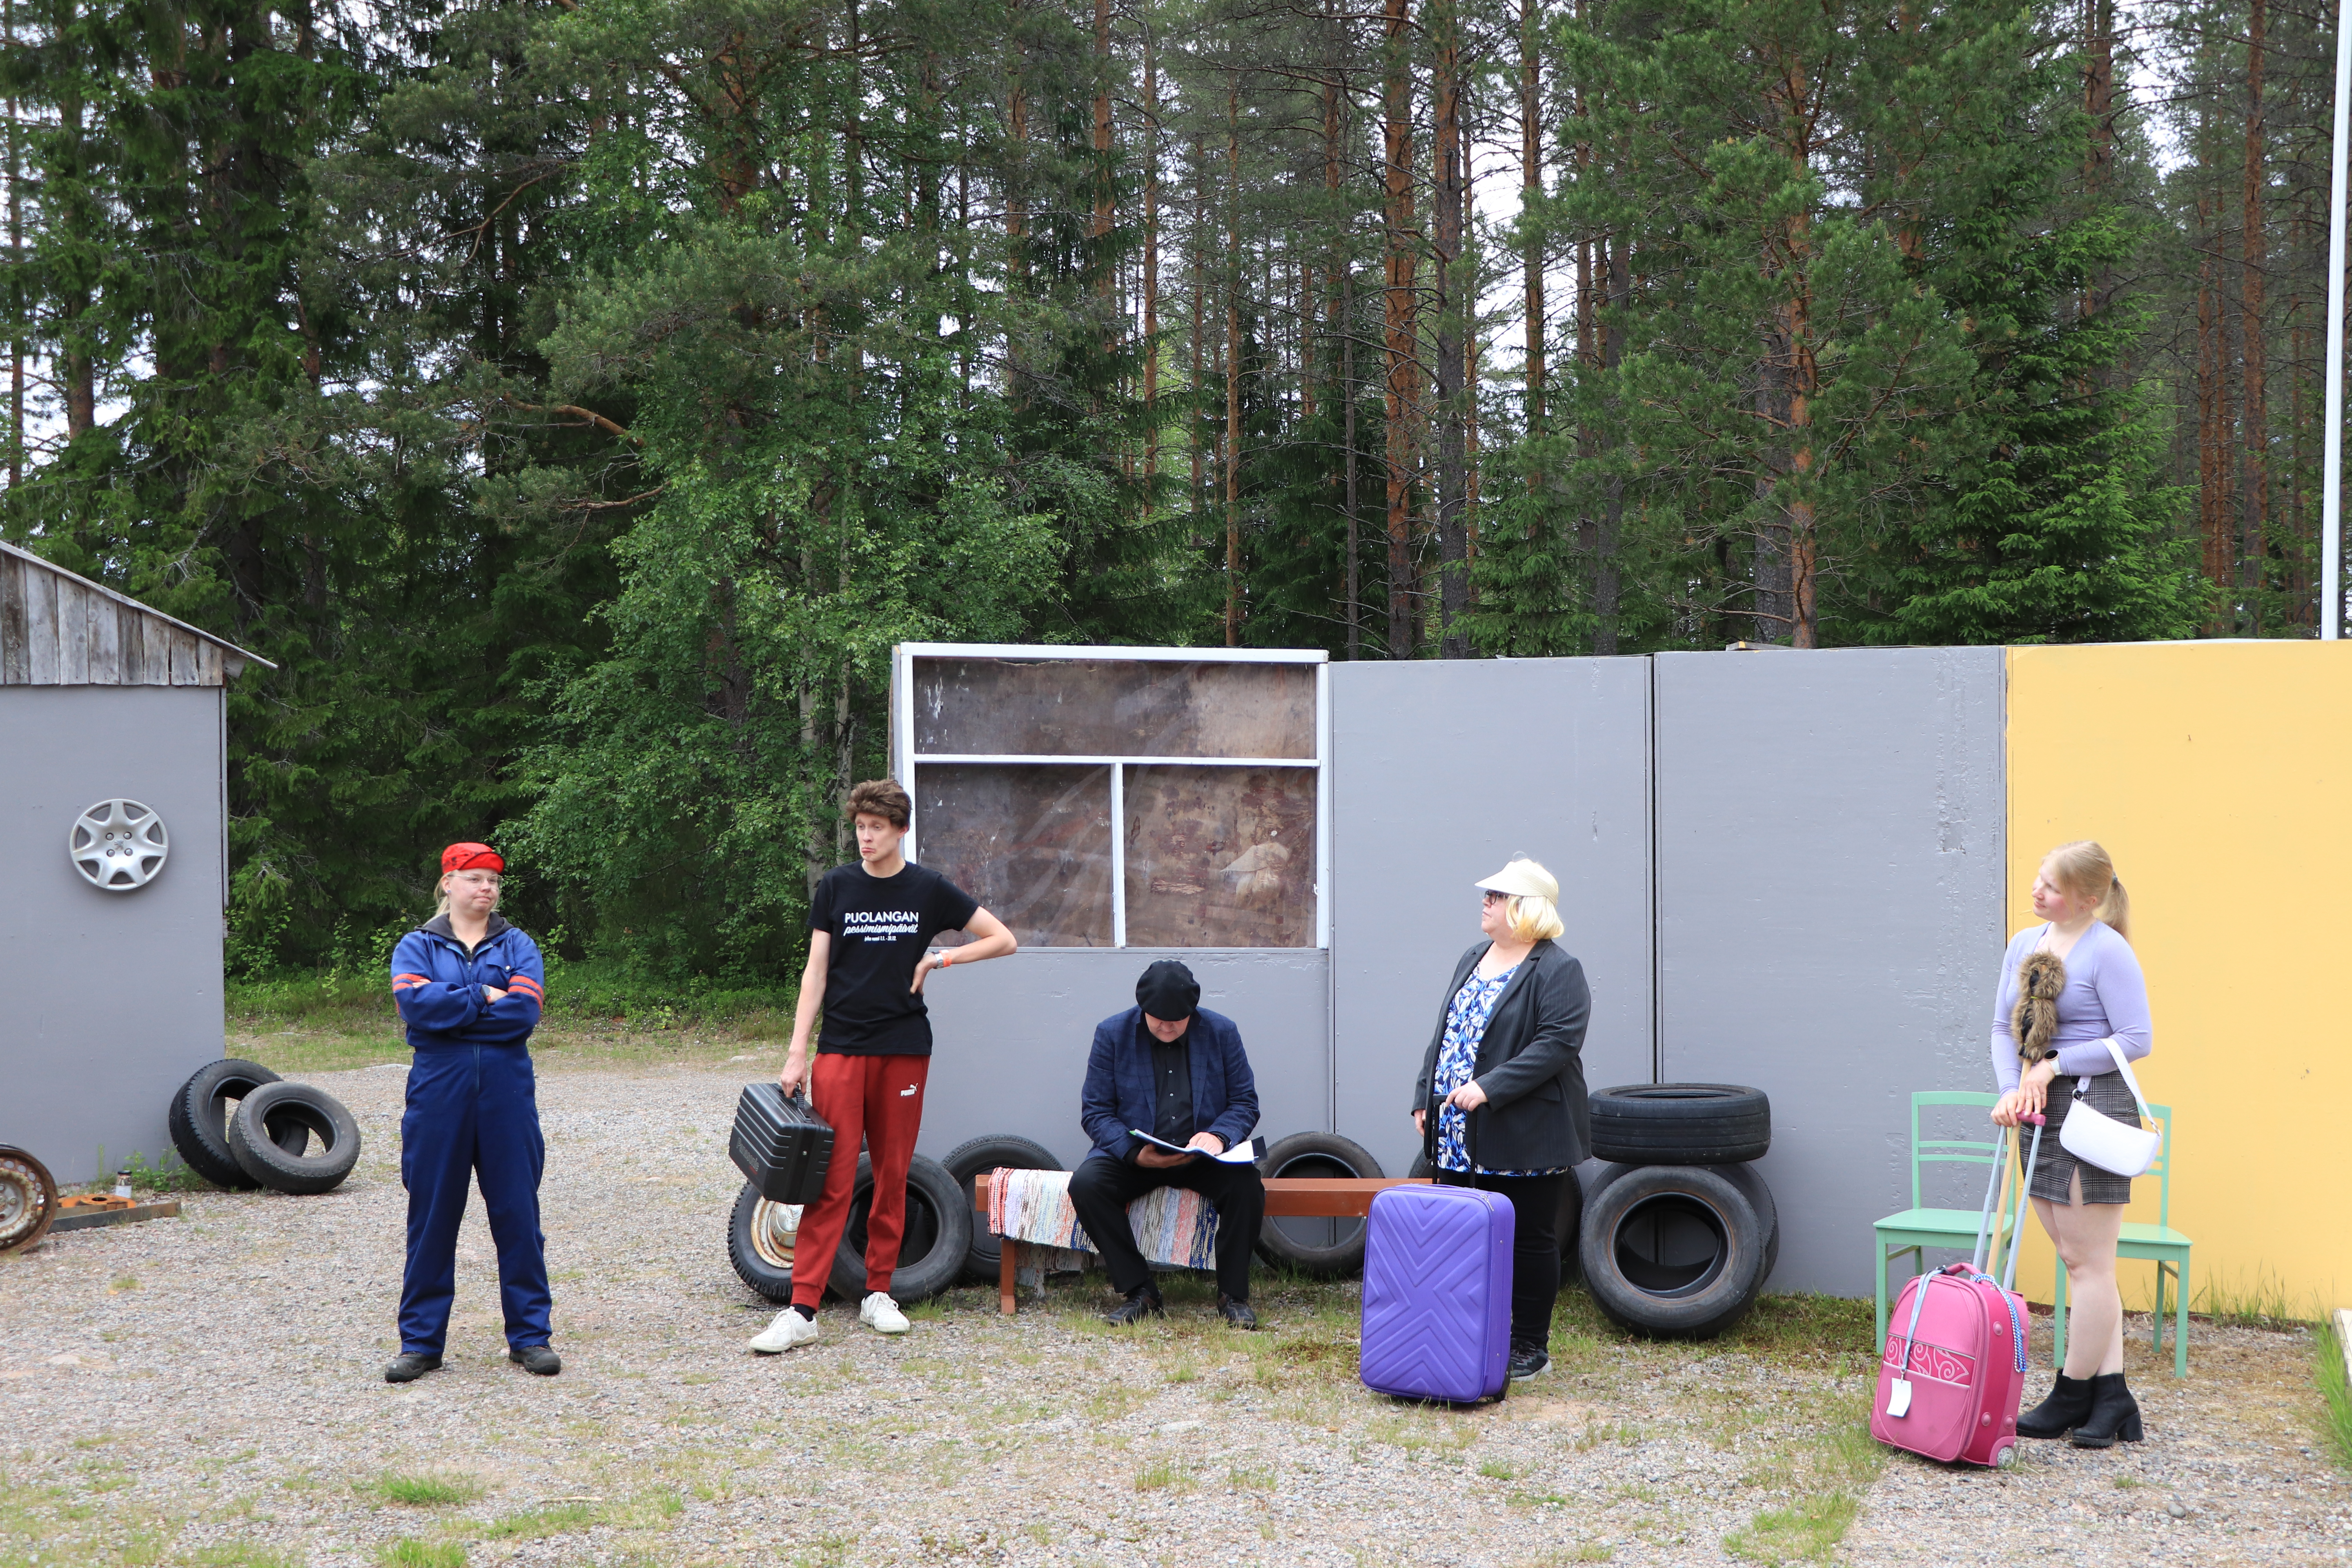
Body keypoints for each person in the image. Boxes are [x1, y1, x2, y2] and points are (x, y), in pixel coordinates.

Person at [749, 779, 1016, 1354]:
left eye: (876, 828)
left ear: (900, 829)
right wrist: (798, 1052)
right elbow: (815, 973)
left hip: (904, 1049)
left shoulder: (928, 888)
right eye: (860, 827)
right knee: (832, 1179)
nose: (865, 838)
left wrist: (942, 957)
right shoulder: (837, 886)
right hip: (842, 1049)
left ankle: (878, 1294)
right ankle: (802, 1309)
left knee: (892, 1175)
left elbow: (1003, 939)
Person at [1990, 840, 2153, 1448]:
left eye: (2052, 887)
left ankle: (2072, 1392)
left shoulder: (2108, 951)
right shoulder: (2023, 945)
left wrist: (2053, 1065)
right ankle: (2112, 1399)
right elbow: (1999, 1027)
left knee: (2089, 1265)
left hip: (2091, 1108)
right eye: (2038, 879)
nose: (2037, 892)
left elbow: (2137, 1037)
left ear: (2088, 898)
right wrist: (2013, 1087)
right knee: (2079, 1263)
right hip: (2036, 1110)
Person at [1410, 855, 1592, 1383]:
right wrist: (1425, 1096)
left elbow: (1556, 1045)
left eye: (1497, 896)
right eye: (1487, 894)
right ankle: (1468, 1331)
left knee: (1531, 1238)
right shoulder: (1473, 955)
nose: (1485, 903)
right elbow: (1445, 1032)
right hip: (1457, 1131)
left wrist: (1489, 1088)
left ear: (1525, 909)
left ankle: (1530, 1346)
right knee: (1462, 1235)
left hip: (1525, 1129)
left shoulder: (1557, 969)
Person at [385, 843, 557, 1384]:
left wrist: (457, 1005)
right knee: (433, 1217)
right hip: (439, 1089)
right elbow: (416, 1007)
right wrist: (485, 994)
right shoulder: (416, 946)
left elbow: (523, 1013)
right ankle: (421, 1344)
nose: (487, 889)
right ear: (449, 884)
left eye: (493, 881)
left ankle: (530, 1338)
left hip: (506, 1090)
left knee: (518, 1217)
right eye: (475, 879)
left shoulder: (519, 944)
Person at [1069, 960, 1267, 1328]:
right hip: (1138, 1154)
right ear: (1142, 1008)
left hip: (1202, 1156)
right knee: (1087, 1184)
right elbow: (1095, 1111)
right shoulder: (1112, 1034)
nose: (1168, 1026)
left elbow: (1245, 1102)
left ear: (1193, 1012)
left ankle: (1232, 1296)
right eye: (1158, 1018)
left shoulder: (1222, 1032)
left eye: (1178, 1019)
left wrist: (1219, 1136)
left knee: (1247, 1186)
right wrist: (1133, 1154)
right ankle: (1141, 1291)